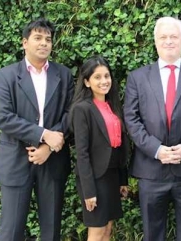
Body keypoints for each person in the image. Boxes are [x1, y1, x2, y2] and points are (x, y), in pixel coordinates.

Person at [123, 16, 181, 241]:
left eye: (174, 36)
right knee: (152, 233)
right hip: (151, 169)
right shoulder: (137, 77)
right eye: (163, 37)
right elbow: (131, 120)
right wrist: (156, 149)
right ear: (155, 42)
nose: (169, 41)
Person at [0, 18, 74, 240]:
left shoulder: (64, 74)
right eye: (37, 38)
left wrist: (48, 145)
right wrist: (43, 134)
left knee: (51, 230)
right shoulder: (5, 76)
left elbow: (70, 113)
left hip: (53, 160)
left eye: (48, 39)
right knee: (10, 230)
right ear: (24, 42)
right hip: (16, 160)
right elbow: (4, 118)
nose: (44, 43)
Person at [69, 56, 129, 241]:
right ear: (87, 82)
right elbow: (82, 153)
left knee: (108, 229)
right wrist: (89, 191)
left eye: (107, 76)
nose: (104, 81)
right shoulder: (82, 109)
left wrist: (122, 180)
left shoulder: (112, 106)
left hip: (111, 176)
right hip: (94, 179)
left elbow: (119, 145)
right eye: (97, 77)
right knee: (96, 231)